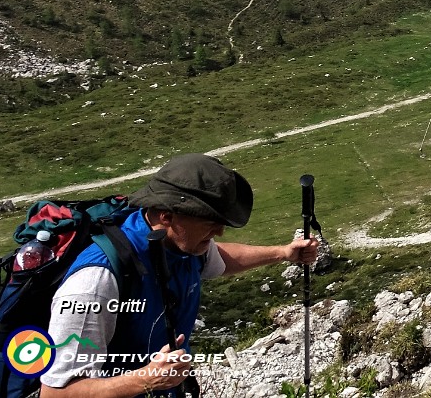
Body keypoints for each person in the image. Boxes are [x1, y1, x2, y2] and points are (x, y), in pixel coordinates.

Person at [39, 153, 318, 397]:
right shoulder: (95, 282)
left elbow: (220, 258)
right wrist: (144, 380)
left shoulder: (186, 246)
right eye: (210, 222)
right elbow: (56, 393)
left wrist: (283, 252)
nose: (219, 232)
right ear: (166, 215)